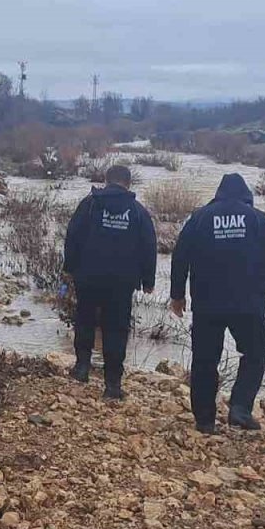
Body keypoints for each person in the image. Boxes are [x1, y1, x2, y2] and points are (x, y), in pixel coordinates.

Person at [169, 173, 265, 435]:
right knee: (256, 353)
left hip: (207, 305)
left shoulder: (200, 218)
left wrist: (177, 295)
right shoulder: (258, 220)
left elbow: (180, 257)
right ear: (246, 195)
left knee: (204, 360)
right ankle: (240, 407)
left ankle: (204, 421)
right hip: (248, 304)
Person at [62, 164, 158, 400]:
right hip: (122, 282)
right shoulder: (137, 211)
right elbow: (149, 246)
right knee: (116, 329)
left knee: (84, 319)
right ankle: (112, 385)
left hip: (88, 276)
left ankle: (81, 368)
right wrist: (148, 280)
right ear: (128, 183)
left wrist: (69, 268)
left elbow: (72, 236)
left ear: (106, 180)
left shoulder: (90, 205)